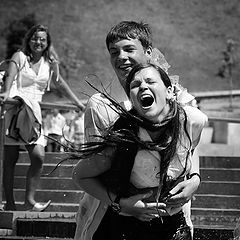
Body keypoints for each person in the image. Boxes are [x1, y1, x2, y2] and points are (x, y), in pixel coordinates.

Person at [73, 21, 206, 239]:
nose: (121, 57)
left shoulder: (179, 98)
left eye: (129, 49)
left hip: (169, 213)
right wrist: (124, 204)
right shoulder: (101, 105)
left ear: (148, 52)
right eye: (113, 52)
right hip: (114, 210)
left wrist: (194, 178)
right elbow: (98, 163)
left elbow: (190, 145)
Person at [0, 24, 84, 211]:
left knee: (38, 156)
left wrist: (77, 102)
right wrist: (6, 93)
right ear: (29, 39)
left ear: (47, 43)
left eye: (42, 39)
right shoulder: (19, 56)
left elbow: (59, 83)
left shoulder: (49, 63)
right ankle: (10, 203)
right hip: (16, 108)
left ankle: (29, 200)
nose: (38, 42)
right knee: (10, 160)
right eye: (35, 38)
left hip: (34, 113)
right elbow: (10, 76)